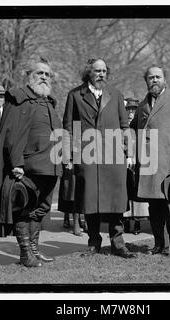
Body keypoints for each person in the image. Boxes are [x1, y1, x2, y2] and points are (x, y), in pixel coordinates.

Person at [0, 57, 62, 267]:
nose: (44, 77)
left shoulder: (50, 102)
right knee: (23, 207)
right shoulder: (17, 97)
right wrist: (16, 163)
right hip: (27, 166)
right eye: (40, 73)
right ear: (29, 75)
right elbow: (11, 134)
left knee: (40, 209)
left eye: (48, 74)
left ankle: (35, 251)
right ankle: (25, 253)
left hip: (50, 165)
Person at [63, 58, 136, 259]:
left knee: (116, 200)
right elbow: (69, 127)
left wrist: (129, 153)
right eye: (97, 71)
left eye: (104, 71)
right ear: (89, 73)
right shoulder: (75, 95)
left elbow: (124, 126)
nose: (101, 74)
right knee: (90, 200)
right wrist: (69, 155)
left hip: (114, 155)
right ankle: (93, 243)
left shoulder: (116, 94)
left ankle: (118, 243)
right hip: (87, 155)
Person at [130, 65, 170, 256]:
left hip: (169, 164)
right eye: (151, 77)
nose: (154, 80)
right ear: (146, 81)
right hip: (149, 165)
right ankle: (160, 245)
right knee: (154, 207)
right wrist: (131, 151)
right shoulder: (143, 104)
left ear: (165, 79)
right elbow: (133, 129)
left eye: (158, 77)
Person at [122, 98, 149, 235]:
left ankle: (137, 222)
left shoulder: (139, 128)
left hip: (137, 165)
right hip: (123, 165)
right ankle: (126, 222)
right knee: (125, 194)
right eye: (128, 110)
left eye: (133, 110)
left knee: (136, 194)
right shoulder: (122, 127)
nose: (130, 113)